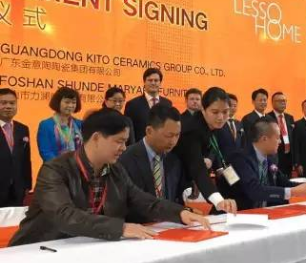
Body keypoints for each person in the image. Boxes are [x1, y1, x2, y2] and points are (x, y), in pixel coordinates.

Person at [10, 110, 210, 246]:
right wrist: (121, 228)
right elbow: (65, 216)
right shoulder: (55, 170)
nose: (124, 148)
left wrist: (180, 213)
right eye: (119, 141)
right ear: (97, 138)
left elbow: (142, 200)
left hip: (87, 247)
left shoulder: (115, 170)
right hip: (40, 250)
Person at [227, 117, 306, 209]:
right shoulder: (239, 159)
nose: (280, 142)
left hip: (266, 213)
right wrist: (293, 192)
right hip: (241, 216)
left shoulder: (269, 159)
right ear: (264, 139)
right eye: (277, 137)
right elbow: (255, 191)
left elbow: (285, 183)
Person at [172, 87, 237, 214]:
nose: (221, 117)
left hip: (203, 174)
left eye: (225, 112)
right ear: (203, 109)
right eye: (215, 112)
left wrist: (236, 183)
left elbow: (228, 155)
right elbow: (197, 168)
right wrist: (218, 200)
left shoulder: (222, 126)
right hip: (178, 177)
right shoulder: (192, 130)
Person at [119, 105, 186, 208]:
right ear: (149, 131)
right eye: (169, 135)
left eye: (177, 135)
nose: (173, 141)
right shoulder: (124, 159)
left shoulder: (175, 159)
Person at [0, 89, 31, 207]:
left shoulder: (23, 128)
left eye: (12, 103)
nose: (8, 106)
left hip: (18, 188)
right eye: (3, 103)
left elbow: (26, 159)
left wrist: (27, 184)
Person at [124, 68, 172, 142]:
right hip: (140, 147)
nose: (153, 83)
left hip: (162, 146)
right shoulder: (132, 104)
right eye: (150, 80)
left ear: (160, 83)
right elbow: (128, 132)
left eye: (156, 80)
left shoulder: (167, 104)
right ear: (144, 82)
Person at [37, 87, 83, 162]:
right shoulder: (46, 125)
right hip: (54, 167)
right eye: (67, 102)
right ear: (58, 102)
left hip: (77, 167)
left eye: (73, 102)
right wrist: (61, 166)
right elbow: (46, 152)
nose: (70, 105)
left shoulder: (80, 124)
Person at [266, 92, 295, 176]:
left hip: (288, 156)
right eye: (280, 101)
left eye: (284, 101)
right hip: (275, 155)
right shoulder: (267, 117)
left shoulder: (290, 117)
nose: (283, 103)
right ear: (272, 103)